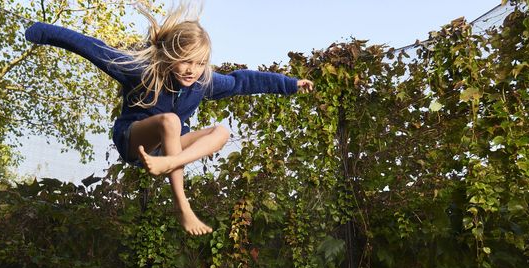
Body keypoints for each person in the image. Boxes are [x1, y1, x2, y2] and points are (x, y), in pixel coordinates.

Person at [25, 3, 314, 236]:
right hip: (134, 140)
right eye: (185, 61)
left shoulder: (203, 82)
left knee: (221, 132)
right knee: (172, 122)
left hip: (166, 152)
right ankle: (181, 205)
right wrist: (41, 31)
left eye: (200, 64)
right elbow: (91, 47)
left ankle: (170, 163)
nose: (192, 71)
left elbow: (243, 82)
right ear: (169, 54)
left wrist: (288, 84)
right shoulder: (140, 70)